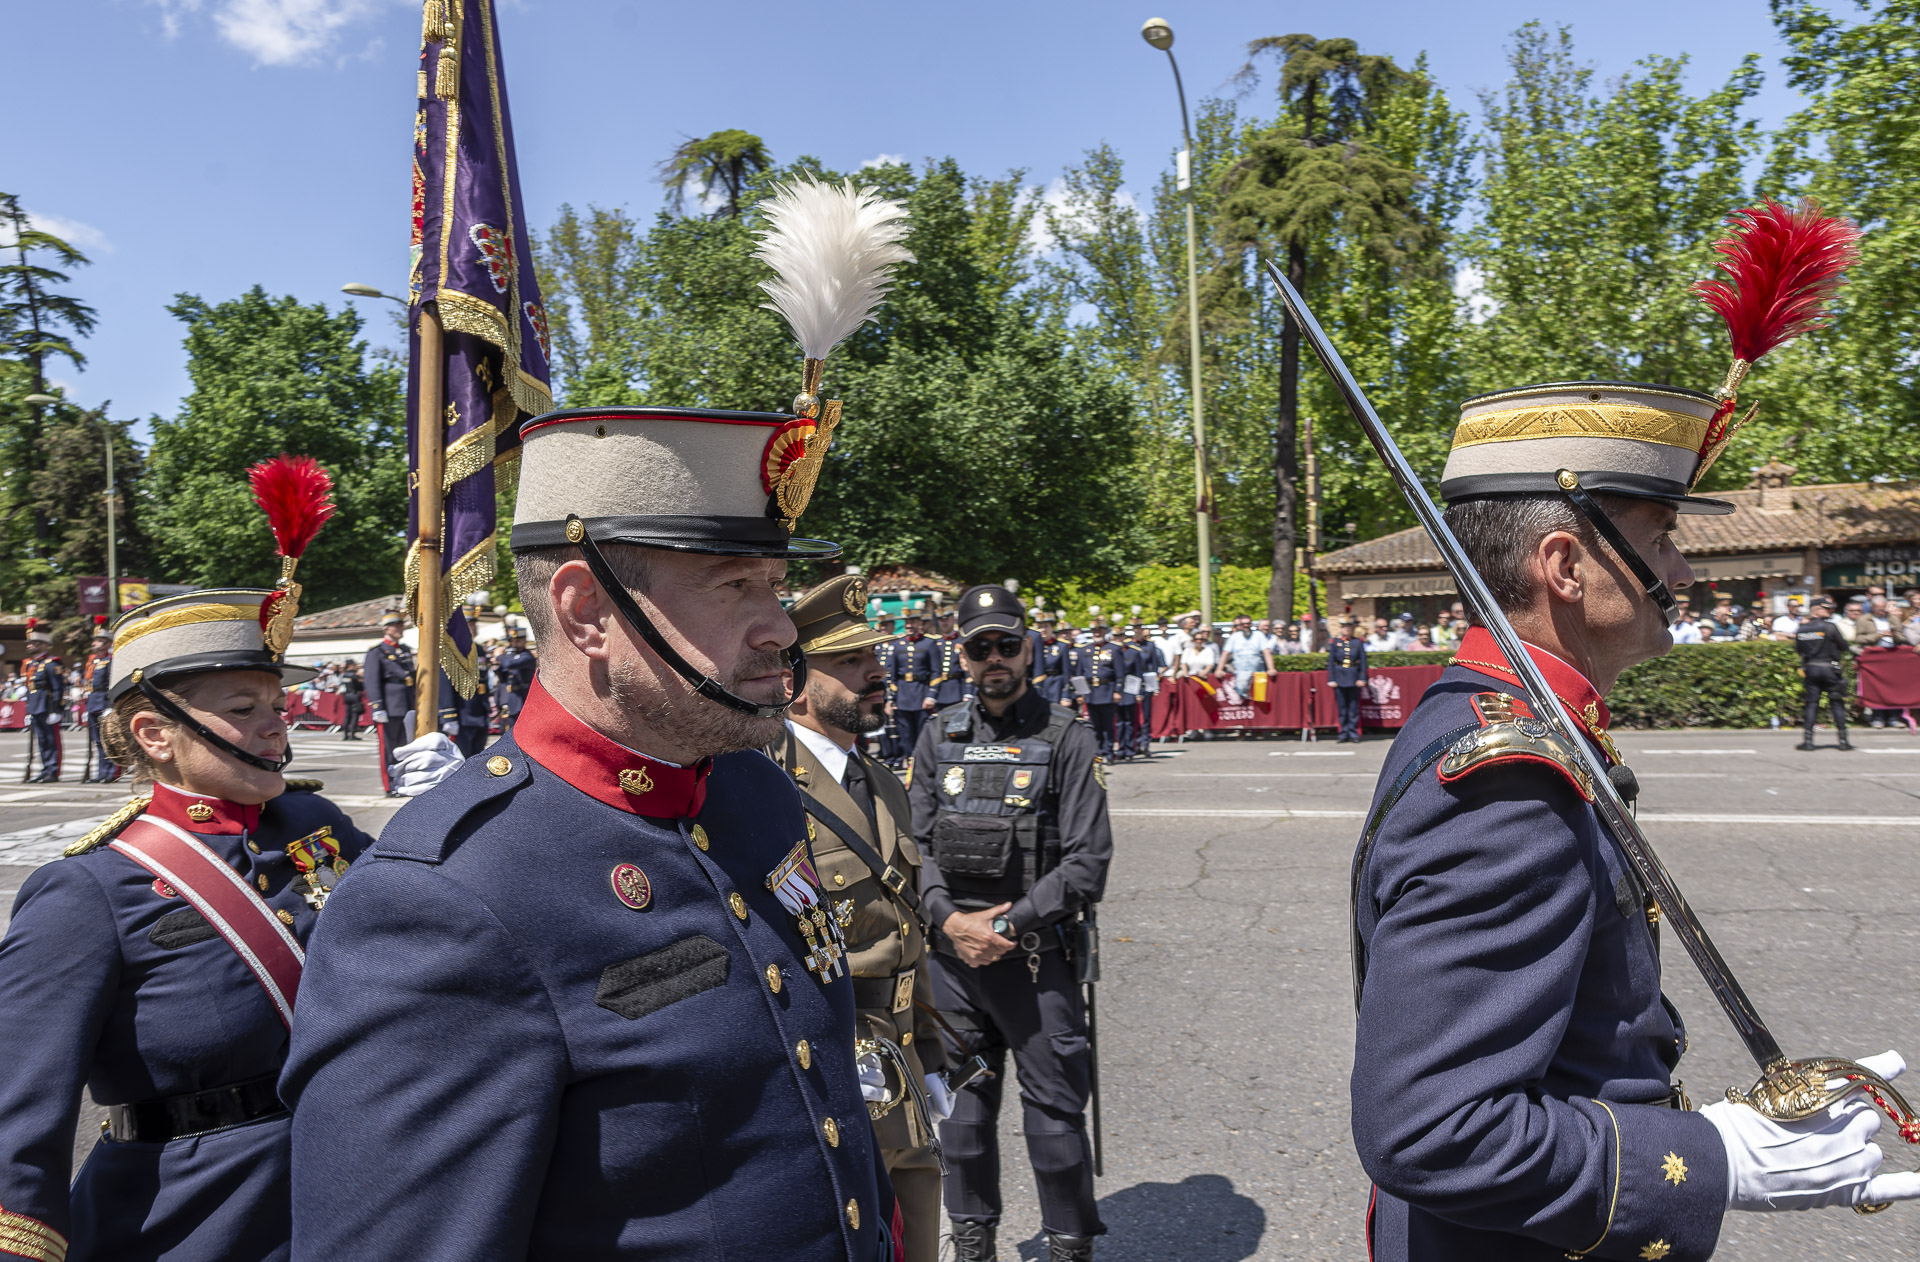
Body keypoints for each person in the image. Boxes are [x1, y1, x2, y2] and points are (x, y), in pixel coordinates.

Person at [284, 180, 913, 1262]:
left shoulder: (754, 790)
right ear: (586, 611)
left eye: (777, 588)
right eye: (734, 589)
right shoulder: (447, 902)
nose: (780, 632)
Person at [1351, 373, 1918, 1262]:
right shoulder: (1510, 784)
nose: (1683, 573)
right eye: (1662, 541)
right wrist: (1711, 1158)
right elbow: (1432, 1130)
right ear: (1566, 567)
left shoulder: (1511, 719)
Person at [0, 460, 461, 1262]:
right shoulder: (87, 891)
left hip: (347, 1184)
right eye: (243, 711)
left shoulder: (314, 821)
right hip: (191, 1217)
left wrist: (454, 814)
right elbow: (17, 1129)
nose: (276, 729)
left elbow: (433, 933)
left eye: (277, 706)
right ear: (153, 733)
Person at [911, 585, 1112, 1262]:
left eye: (1006, 644)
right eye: (979, 647)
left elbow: (1088, 862)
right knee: (961, 1119)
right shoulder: (937, 735)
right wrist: (949, 920)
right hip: (953, 964)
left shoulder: (1068, 739)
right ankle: (973, 1244)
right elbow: (914, 850)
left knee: (1055, 1117)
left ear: (1029, 648)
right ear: (960, 656)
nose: (993, 658)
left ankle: (1067, 1245)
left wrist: (1008, 924)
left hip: (1034, 958)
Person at [771, 574, 952, 1262]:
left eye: (871, 658)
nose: (876, 675)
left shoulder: (876, 780)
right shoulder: (763, 782)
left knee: (917, 1233)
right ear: (795, 681)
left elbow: (908, 927)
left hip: (898, 1056)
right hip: (829, 1065)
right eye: (848, 662)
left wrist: (931, 1055)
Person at [362, 612, 415, 791]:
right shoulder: (377, 652)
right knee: (389, 747)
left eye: (401, 625)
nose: (399, 628)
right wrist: (377, 706)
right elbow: (371, 680)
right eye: (396, 625)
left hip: (407, 704)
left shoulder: (405, 650)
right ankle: (390, 785)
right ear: (386, 628)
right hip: (390, 706)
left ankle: (403, 781)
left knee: (405, 746)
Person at [1795, 596, 1851, 751]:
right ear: (1816, 610)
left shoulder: (1802, 628)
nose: (1830, 611)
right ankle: (1844, 742)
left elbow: (1799, 650)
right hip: (1830, 669)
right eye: (1826, 608)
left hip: (1811, 668)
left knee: (1812, 704)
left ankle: (1808, 742)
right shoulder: (1829, 627)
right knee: (1836, 703)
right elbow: (1844, 646)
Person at [22, 619, 65, 783]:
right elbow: (30, 688)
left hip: (47, 707)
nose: (29, 646)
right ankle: (45, 769)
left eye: (33, 643)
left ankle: (53, 771)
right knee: (42, 741)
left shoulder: (51, 664)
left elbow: (58, 688)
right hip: (35, 707)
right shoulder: (31, 664)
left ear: (43, 645)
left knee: (51, 740)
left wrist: (57, 710)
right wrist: (28, 710)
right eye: (29, 643)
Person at [889, 612, 932, 756]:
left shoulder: (929, 643)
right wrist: (892, 699)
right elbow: (893, 675)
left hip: (922, 695)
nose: (908, 625)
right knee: (906, 735)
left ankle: (923, 763)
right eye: (907, 622)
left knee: (922, 734)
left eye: (912, 622)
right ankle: (910, 765)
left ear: (920, 624)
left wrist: (931, 695)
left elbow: (936, 672)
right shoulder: (897, 645)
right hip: (903, 697)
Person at [1077, 623, 1121, 758]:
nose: (1097, 633)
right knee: (1094, 725)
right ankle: (1097, 751)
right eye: (1094, 631)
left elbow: (1120, 673)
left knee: (1107, 725)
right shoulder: (1084, 650)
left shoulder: (1113, 649)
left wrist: (1117, 690)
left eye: (1100, 631)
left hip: (1107, 690)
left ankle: (1108, 752)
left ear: (1105, 631)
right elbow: (1080, 673)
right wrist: (1080, 692)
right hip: (1091, 692)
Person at [81, 617, 117, 783]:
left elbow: (112, 683)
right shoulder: (93, 662)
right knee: (97, 742)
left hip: (104, 702)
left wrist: (110, 706)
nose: (95, 643)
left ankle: (111, 772)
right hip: (93, 703)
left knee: (108, 740)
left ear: (108, 643)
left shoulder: (111, 661)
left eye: (99, 640)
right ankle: (101, 773)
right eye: (95, 640)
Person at [1327, 620, 1368, 743]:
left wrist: (1362, 678)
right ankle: (1343, 733)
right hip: (1339, 677)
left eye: (1349, 628)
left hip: (1354, 677)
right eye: (1344, 628)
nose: (1347, 630)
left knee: (1353, 707)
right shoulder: (1336, 643)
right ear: (1341, 629)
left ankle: (1353, 733)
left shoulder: (1357, 642)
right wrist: (1332, 679)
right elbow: (1330, 662)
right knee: (1342, 708)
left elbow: (1363, 662)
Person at [338, 663, 365, 739]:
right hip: (355, 696)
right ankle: (352, 733)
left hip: (347, 696)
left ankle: (345, 734)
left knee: (347, 716)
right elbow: (361, 686)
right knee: (354, 716)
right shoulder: (354, 676)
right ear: (351, 665)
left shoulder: (344, 675)